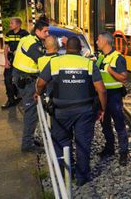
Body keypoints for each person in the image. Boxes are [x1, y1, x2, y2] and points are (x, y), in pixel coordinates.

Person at [35, 37, 107, 186]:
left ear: (66, 47)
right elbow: (101, 90)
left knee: (61, 142)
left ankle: (64, 174)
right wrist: (102, 109)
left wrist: (39, 93)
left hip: (60, 111)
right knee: (83, 144)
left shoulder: (55, 62)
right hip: (85, 111)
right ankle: (82, 178)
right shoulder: (88, 63)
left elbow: (41, 83)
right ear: (80, 48)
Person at [12, 20, 49, 153]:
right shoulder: (31, 43)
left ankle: (29, 138)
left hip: (26, 78)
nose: (47, 33)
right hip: (26, 80)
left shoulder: (33, 40)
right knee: (31, 112)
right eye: (45, 31)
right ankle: (27, 144)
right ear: (37, 31)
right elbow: (42, 60)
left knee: (33, 112)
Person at [95, 31, 130, 166]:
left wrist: (111, 71)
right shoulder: (100, 57)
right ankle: (109, 148)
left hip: (114, 96)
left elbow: (123, 77)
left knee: (119, 124)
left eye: (98, 40)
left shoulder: (117, 58)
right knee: (105, 123)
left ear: (105, 41)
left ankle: (124, 153)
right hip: (101, 96)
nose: (97, 42)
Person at [2, 17, 29, 109]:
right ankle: (10, 99)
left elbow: (28, 47)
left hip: (22, 61)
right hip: (11, 59)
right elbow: (5, 48)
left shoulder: (25, 34)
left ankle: (25, 100)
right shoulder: (9, 34)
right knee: (7, 79)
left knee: (21, 80)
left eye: (12, 23)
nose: (10, 25)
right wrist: (6, 61)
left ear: (18, 24)